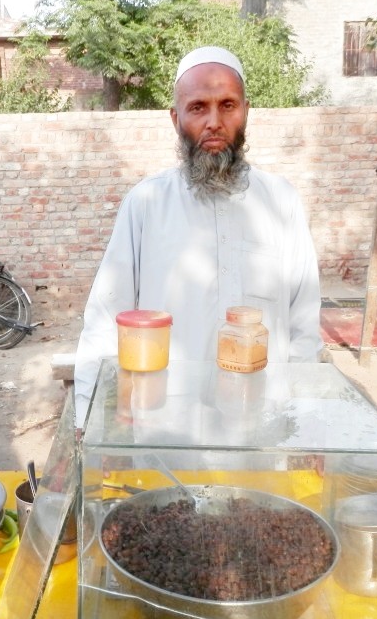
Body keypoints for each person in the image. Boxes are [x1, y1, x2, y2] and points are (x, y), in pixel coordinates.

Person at [73, 46, 323, 427]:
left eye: (227, 105)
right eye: (197, 108)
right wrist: (87, 425)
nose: (214, 122)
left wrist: (306, 422)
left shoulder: (281, 201)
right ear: (175, 119)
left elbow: (304, 327)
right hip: (167, 427)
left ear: (246, 111)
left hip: (260, 425)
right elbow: (106, 321)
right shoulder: (146, 203)